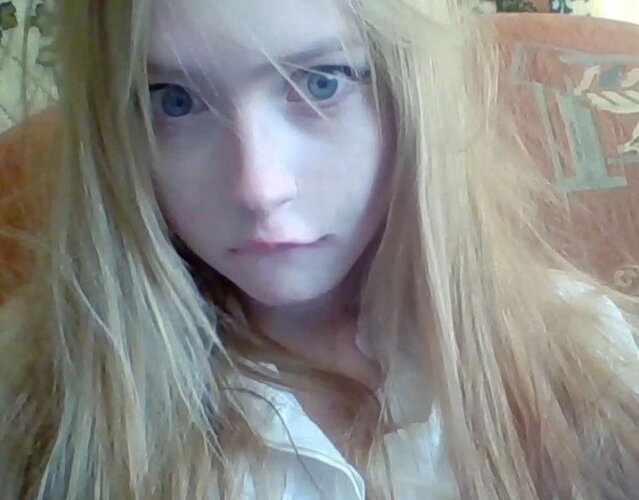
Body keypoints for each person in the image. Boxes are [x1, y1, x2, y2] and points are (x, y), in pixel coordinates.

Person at [0, 0, 637, 498]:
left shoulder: (583, 358)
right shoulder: (37, 401)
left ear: (412, 93)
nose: (259, 188)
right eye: (176, 101)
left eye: (321, 83)